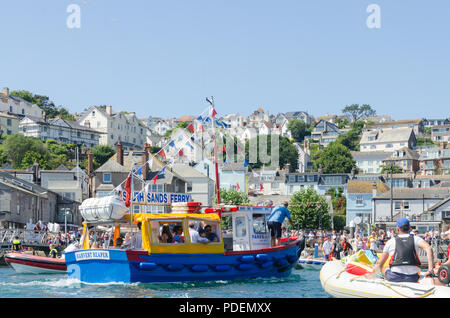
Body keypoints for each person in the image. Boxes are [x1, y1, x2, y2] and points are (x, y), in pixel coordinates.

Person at [370, 218, 434, 283]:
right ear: (409, 228)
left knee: (384, 268)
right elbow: (429, 248)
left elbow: (379, 264)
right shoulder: (416, 239)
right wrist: (430, 270)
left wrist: (371, 275)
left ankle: (379, 279)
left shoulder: (390, 242)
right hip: (413, 278)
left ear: (397, 228)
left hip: (394, 277)